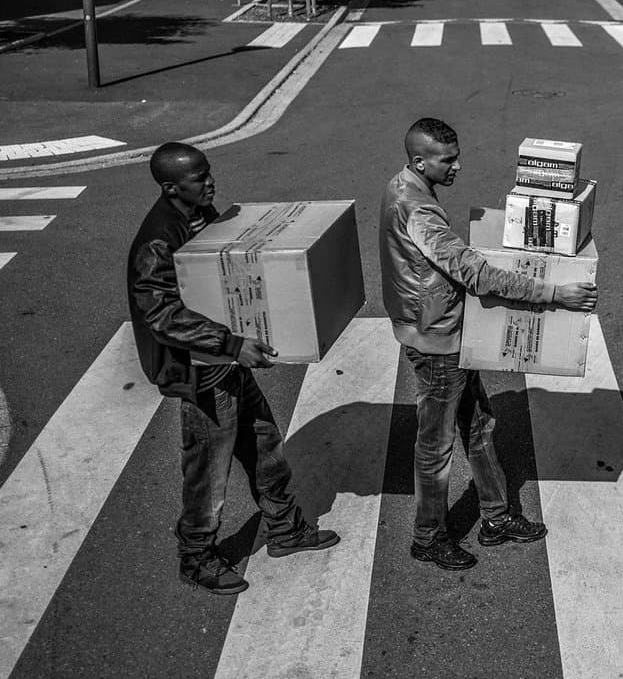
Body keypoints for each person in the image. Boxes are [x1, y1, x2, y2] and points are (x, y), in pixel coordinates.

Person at [379, 118, 598, 571]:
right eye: (447, 160)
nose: (457, 166)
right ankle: (428, 537)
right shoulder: (418, 211)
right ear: (419, 161)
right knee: (435, 447)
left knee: (478, 425)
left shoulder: (404, 188)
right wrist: (554, 293)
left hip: (445, 332)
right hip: (437, 343)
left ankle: (496, 517)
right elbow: (475, 274)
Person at [126, 142, 339, 596]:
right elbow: (160, 314)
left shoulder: (200, 214)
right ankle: (196, 558)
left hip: (225, 360)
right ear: (171, 187)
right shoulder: (158, 240)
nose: (210, 182)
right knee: (208, 473)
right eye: (199, 177)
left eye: (209, 172)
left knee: (265, 447)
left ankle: (285, 529)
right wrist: (232, 344)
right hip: (201, 374)